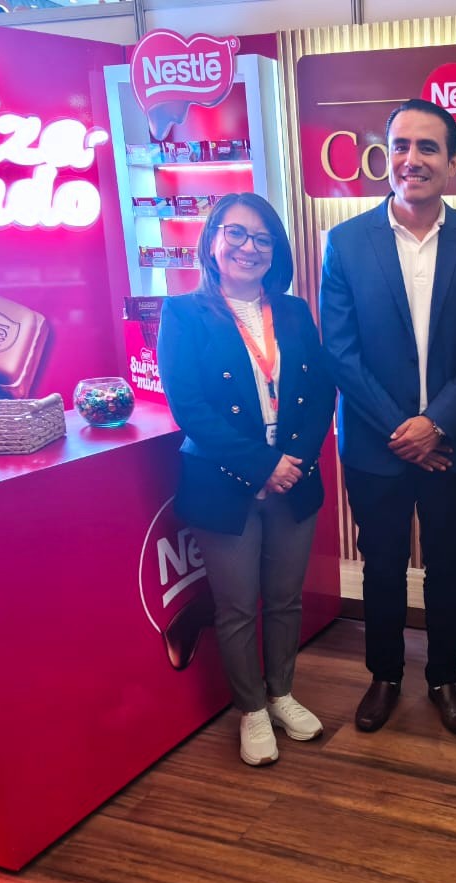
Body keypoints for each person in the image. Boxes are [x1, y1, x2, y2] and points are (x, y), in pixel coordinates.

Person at [320, 99, 456, 736]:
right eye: (401, 145)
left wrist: (437, 424)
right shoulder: (345, 242)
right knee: (382, 563)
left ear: (452, 162)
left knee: (450, 562)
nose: (412, 159)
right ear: (386, 156)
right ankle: (385, 674)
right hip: (376, 444)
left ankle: (445, 676)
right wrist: (405, 429)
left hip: (453, 443)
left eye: (428, 148)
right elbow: (339, 352)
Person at [158, 193, 335, 767]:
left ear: (274, 252)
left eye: (262, 239)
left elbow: (320, 393)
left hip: (293, 479)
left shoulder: (293, 312)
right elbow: (190, 407)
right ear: (213, 239)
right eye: (236, 234)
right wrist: (261, 467)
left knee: (284, 600)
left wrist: (295, 462)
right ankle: (252, 710)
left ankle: (282, 693)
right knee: (236, 606)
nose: (248, 248)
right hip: (224, 481)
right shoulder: (183, 314)